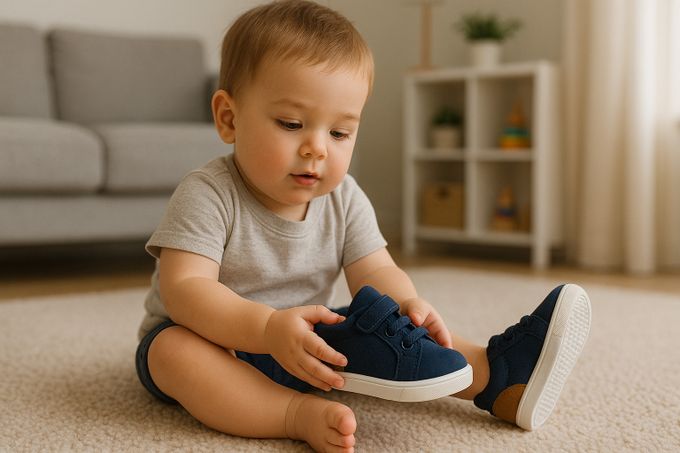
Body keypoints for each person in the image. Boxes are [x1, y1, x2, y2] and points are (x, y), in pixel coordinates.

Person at [134, 1, 592, 452]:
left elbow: (375, 268)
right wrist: (266, 327)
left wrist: (407, 304)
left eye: (339, 133)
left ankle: (499, 379)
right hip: (217, 342)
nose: (317, 148)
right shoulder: (208, 193)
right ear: (229, 118)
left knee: (375, 323)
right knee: (174, 352)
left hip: (309, 344)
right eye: (292, 124)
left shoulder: (344, 196)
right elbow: (186, 291)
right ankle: (292, 414)